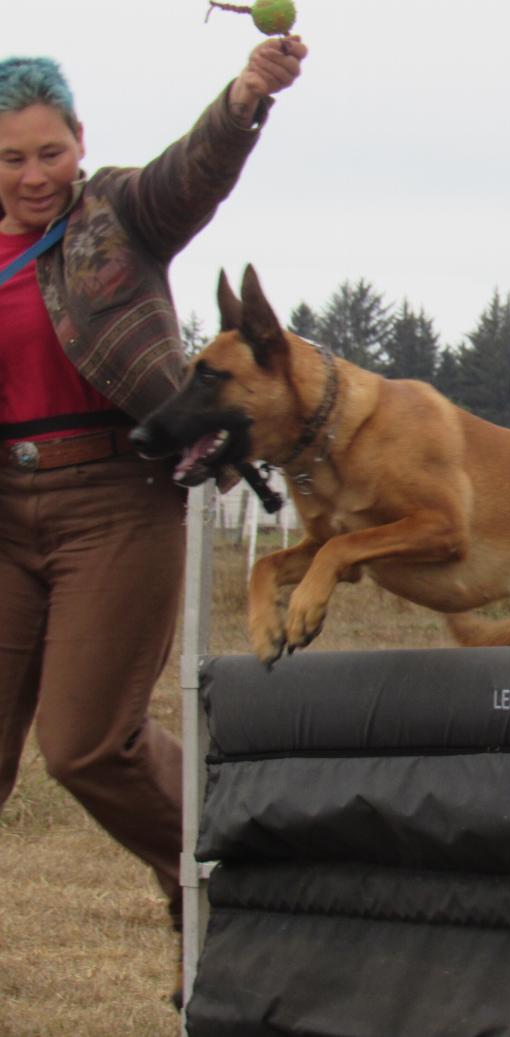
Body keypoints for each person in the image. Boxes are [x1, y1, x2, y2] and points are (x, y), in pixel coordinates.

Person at [0, 38, 307, 1000]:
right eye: (11, 157)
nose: (34, 174)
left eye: (49, 152)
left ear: (78, 143)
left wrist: (247, 94)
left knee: (87, 742)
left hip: (113, 501)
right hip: (2, 514)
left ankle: (221, 875)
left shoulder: (116, 216)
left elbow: (195, 171)